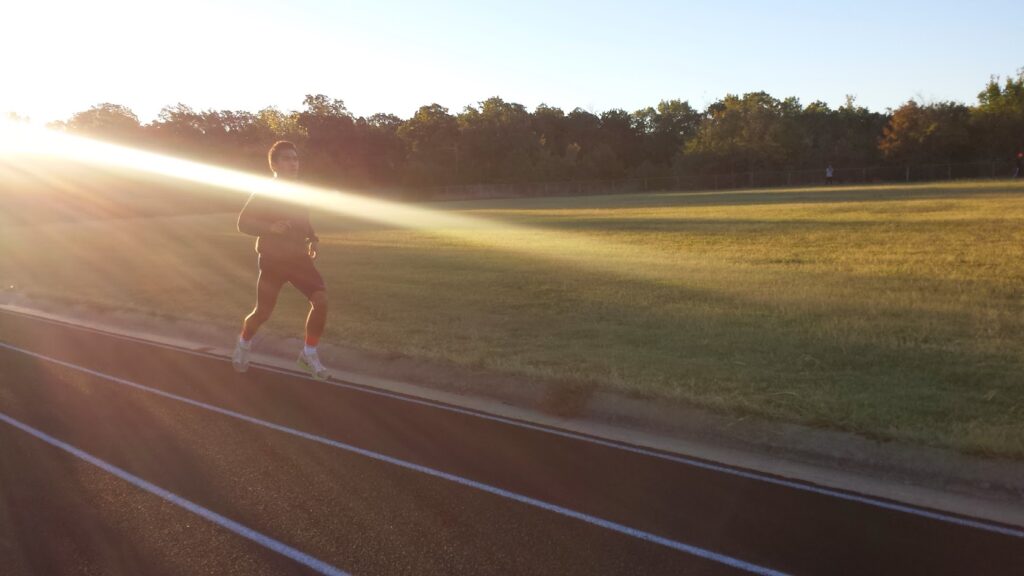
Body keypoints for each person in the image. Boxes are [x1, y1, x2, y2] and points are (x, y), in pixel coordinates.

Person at [232, 140, 330, 380]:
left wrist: (313, 237)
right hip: (273, 260)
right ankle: (244, 343)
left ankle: (308, 353)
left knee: (321, 300)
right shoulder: (264, 192)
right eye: (287, 159)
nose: (293, 163)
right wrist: (270, 227)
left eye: (295, 159)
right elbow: (242, 223)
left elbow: (303, 219)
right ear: (274, 164)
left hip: (298, 258)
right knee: (263, 312)